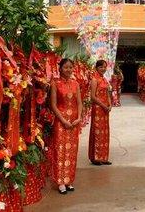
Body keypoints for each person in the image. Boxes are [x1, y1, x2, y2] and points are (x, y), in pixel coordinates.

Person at [50, 58, 82, 194]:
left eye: (71, 67)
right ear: (60, 69)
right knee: (61, 150)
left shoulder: (76, 84)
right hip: (61, 122)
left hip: (74, 122)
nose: (69, 70)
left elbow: (79, 103)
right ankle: (60, 181)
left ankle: (69, 180)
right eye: (66, 67)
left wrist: (79, 118)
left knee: (72, 151)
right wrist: (63, 120)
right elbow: (53, 105)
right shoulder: (55, 84)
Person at [88, 60, 112, 165]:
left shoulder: (105, 80)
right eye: (101, 67)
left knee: (105, 132)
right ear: (96, 67)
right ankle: (96, 157)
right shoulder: (94, 79)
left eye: (105, 67)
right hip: (98, 109)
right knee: (97, 131)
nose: (103, 69)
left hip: (105, 109)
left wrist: (110, 104)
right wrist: (103, 105)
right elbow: (93, 97)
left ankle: (103, 157)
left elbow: (107, 94)